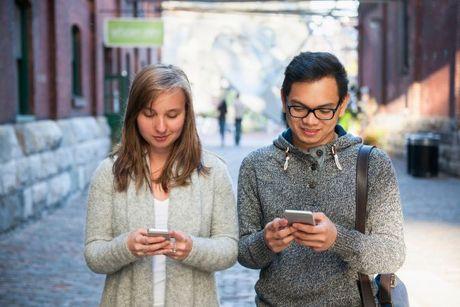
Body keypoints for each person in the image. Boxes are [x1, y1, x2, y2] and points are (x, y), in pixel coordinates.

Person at [237, 52, 405, 306]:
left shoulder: (373, 164)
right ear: (283, 100)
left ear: (343, 104)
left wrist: (339, 239)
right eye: (299, 107)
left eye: (324, 110)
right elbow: (244, 254)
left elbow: (393, 254)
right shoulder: (256, 166)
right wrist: (265, 242)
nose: (310, 120)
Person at [85, 64, 238, 307]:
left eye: (172, 115)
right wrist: (126, 247)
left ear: (187, 114)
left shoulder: (213, 172)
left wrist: (192, 249)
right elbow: (94, 255)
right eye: (149, 114)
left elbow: (229, 248)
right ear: (134, 113)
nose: (161, 127)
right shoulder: (110, 172)